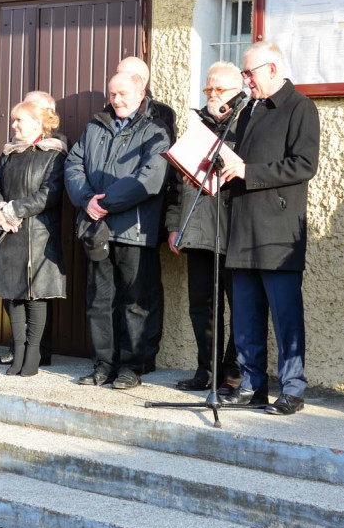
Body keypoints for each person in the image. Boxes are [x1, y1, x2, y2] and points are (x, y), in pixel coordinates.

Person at [217, 41, 320, 416]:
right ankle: (251, 384)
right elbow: (237, 162)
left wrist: (249, 172)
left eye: (250, 73)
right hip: (243, 224)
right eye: (244, 74)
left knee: (285, 314)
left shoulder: (300, 108)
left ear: (273, 69)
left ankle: (292, 389)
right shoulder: (248, 110)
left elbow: (304, 164)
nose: (245, 81)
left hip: (278, 229)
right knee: (245, 314)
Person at [65, 71, 171, 389]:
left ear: (141, 93)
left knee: (135, 301)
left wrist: (105, 202)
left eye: (123, 93)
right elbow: (74, 165)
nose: (116, 99)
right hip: (97, 227)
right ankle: (103, 365)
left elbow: (151, 177)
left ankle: (131, 367)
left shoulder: (156, 130)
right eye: (112, 93)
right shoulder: (96, 126)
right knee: (99, 300)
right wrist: (87, 200)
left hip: (134, 229)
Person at [164, 61, 243, 393]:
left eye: (219, 89)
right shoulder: (198, 127)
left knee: (240, 307)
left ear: (238, 91)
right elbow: (174, 187)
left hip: (235, 232)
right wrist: (173, 226)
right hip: (198, 232)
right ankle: (206, 370)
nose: (212, 95)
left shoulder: (247, 126)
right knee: (202, 306)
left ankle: (233, 371)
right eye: (208, 89)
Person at [0, 100, 67, 376]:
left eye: (19, 120)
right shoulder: (9, 154)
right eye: (14, 120)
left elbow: (49, 193)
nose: (14, 125)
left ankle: (33, 355)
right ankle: (18, 352)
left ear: (37, 123)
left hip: (37, 235)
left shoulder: (54, 155)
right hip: (8, 232)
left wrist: (14, 210)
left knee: (35, 296)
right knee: (12, 296)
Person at [115, 56, 175, 375]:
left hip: (145, 215)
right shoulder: (107, 115)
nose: (120, 87)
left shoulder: (161, 115)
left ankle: (146, 352)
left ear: (142, 82)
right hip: (112, 218)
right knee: (118, 292)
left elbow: (160, 167)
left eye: (129, 78)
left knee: (145, 289)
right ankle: (116, 354)